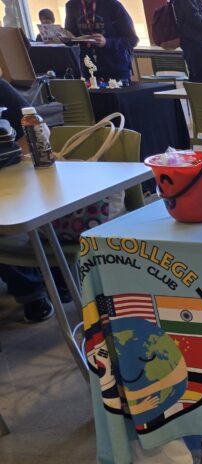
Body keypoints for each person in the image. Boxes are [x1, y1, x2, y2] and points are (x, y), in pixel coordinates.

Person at [0, 80, 69, 323]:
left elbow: (35, 126)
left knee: (15, 219)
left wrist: (17, 158)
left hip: (16, 175)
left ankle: (34, 292)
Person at [64, 0, 139, 83]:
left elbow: (132, 40)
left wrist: (106, 42)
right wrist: (63, 38)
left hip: (115, 69)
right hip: (89, 69)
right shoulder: (72, 5)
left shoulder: (113, 5)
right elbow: (72, 38)